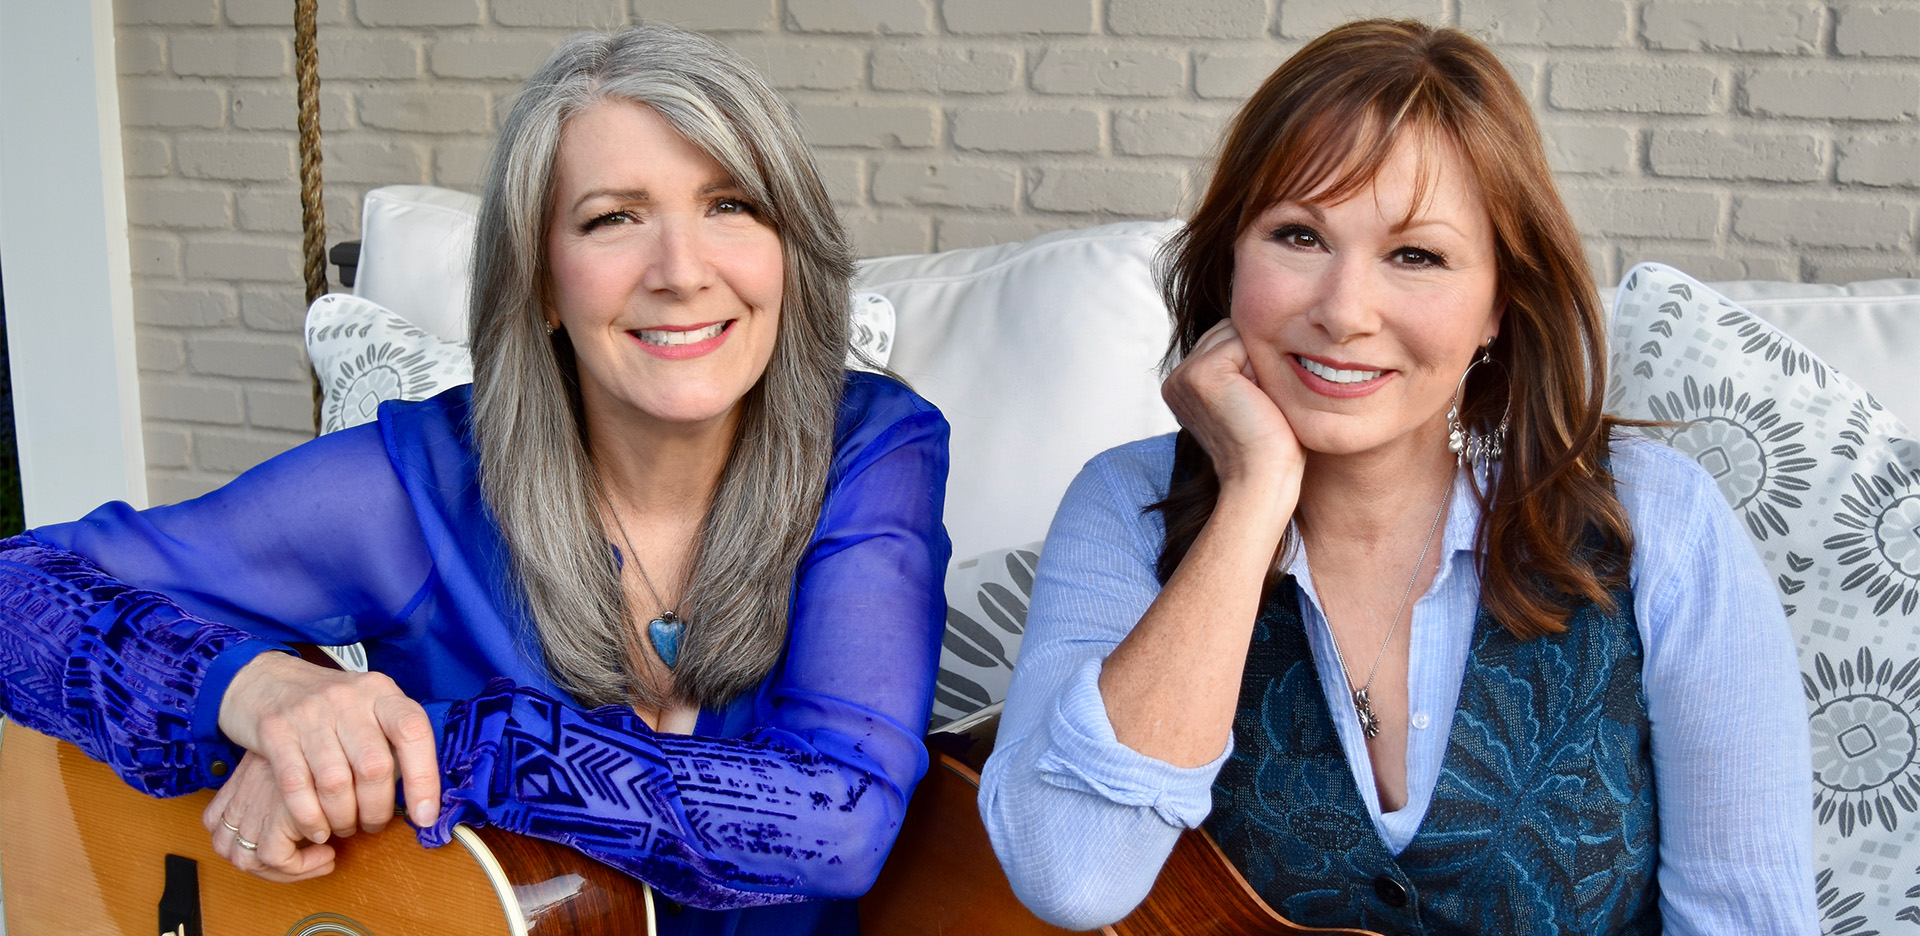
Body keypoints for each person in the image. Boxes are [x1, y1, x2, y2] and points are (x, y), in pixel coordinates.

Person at [0, 23, 948, 935]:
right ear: (540, 276)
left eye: (730, 206)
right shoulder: (424, 486)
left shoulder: (868, 449)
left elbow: (837, 824)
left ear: (789, 246)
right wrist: (258, 691)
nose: (681, 270)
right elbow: (15, 592)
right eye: (613, 218)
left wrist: (424, 745)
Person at [977, 19, 1817, 935]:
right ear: (1228, 264)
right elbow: (1072, 877)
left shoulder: (1656, 518)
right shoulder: (1125, 510)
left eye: (1416, 256)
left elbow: (1750, 919)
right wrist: (1254, 498)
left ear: (1499, 302)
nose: (1343, 311)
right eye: (1298, 236)